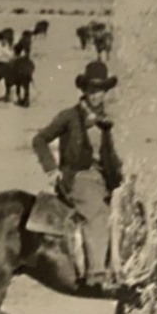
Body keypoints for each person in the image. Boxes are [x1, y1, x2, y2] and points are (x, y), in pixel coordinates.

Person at [32, 61, 125, 289]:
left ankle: (120, 265)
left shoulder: (105, 122)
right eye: (92, 90)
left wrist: (122, 172)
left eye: (100, 90)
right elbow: (40, 140)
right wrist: (52, 169)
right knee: (98, 214)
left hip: (103, 179)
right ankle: (96, 274)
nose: (96, 95)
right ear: (84, 90)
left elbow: (108, 156)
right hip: (78, 178)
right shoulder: (69, 117)